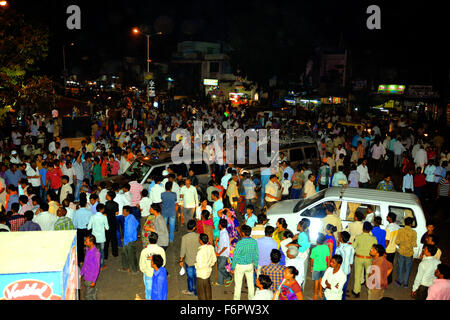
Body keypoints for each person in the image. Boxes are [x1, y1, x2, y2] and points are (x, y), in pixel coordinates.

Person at [231, 224, 259, 300]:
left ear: (242, 233)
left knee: (238, 285)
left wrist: (232, 267)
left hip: (240, 266)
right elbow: (256, 255)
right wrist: (256, 266)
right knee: (251, 284)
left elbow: (235, 256)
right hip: (250, 265)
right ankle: (251, 298)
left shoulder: (239, 243)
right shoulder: (254, 242)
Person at [352, 221, 377, 298]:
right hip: (369, 259)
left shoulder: (358, 237)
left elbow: (353, 246)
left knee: (357, 275)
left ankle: (356, 291)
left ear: (363, 229)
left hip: (359, 258)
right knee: (368, 276)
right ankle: (370, 292)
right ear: (370, 230)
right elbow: (375, 249)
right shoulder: (373, 238)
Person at [139, 232, 166, 300]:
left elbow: (141, 265)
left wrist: (147, 271)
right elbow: (163, 263)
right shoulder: (161, 250)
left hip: (148, 275)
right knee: (159, 293)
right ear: (157, 240)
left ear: (148, 240)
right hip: (158, 275)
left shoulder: (144, 251)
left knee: (149, 294)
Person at [179, 219, 200, 296]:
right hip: (197, 261)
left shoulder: (184, 237)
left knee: (190, 278)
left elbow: (182, 250)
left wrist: (181, 260)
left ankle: (190, 290)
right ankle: (197, 292)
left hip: (189, 262)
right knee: (197, 277)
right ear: (194, 228)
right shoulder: (198, 236)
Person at [395, 217, 417, 288]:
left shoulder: (400, 230)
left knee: (400, 267)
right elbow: (414, 244)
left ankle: (399, 281)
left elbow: (397, 241)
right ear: (411, 224)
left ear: (404, 223)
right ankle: (406, 284)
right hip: (409, 253)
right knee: (408, 269)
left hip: (401, 251)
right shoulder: (414, 232)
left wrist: (401, 245)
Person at [195, 233, 217, 300]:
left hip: (201, 274)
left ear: (201, 241)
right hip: (208, 272)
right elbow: (214, 259)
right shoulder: (211, 247)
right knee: (208, 290)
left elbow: (199, 265)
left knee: (201, 292)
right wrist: (209, 265)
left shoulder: (200, 252)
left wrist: (195, 265)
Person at [87, 203, 109, 270]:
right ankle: (101, 266)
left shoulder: (92, 217)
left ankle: (94, 265)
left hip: (94, 238)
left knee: (94, 251)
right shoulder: (104, 217)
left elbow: (88, 228)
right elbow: (107, 228)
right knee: (101, 251)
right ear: (103, 210)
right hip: (102, 237)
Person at [118, 206, 139, 274]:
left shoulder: (129, 220)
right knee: (124, 253)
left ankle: (135, 270)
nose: (122, 212)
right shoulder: (131, 217)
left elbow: (129, 232)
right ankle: (126, 267)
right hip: (127, 240)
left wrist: (127, 241)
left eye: (123, 211)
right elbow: (137, 223)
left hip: (129, 240)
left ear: (127, 212)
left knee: (131, 255)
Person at [73, 197, 93, 265]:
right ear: (85, 204)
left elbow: (74, 223)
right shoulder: (89, 212)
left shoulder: (76, 212)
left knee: (80, 246)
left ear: (79, 204)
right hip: (87, 230)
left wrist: (76, 228)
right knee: (89, 244)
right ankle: (89, 258)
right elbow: (91, 221)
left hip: (79, 230)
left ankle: (81, 260)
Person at [80, 235, 101, 300]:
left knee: (87, 295)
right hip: (86, 276)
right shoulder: (87, 250)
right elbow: (85, 263)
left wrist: (94, 281)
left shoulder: (96, 253)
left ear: (91, 242)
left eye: (86, 242)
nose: (84, 243)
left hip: (90, 278)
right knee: (91, 293)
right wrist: (81, 274)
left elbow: (97, 269)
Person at [310, 233, 330, 300]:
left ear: (317, 240)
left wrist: (311, 267)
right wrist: (328, 266)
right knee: (322, 280)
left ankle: (315, 294)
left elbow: (312, 260)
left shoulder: (314, 249)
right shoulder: (326, 247)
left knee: (316, 281)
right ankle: (320, 292)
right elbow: (328, 257)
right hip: (324, 266)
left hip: (316, 267)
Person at [215, 218, 232, 287]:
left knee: (220, 268)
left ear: (220, 225)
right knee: (220, 268)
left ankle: (228, 277)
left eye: (219, 224)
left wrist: (219, 253)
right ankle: (220, 282)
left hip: (223, 254)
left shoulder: (224, 233)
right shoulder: (222, 232)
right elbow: (222, 244)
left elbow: (225, 246)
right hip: (221, 253)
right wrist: (217, 242)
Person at [385, 212, 400, 284]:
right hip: (393, 249)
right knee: (390, 265)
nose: (386, 217)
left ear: (390, 218)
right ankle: (389, 279)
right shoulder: (397, 227)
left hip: (388, 250)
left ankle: (386, 280)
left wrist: (384, 249)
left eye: (387, 216)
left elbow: (387, 240)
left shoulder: (388, 228)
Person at [104, 191, 119, 260]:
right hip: (113, 222)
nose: (105, 196)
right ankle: (115, 253)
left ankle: (105, 255)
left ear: (109, 196)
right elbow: (116, 213)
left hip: (107, 222)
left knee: (106, 240)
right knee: (114, 238)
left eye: (106, 195)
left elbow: (104, 214)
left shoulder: (106, 204)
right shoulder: (116, 204)